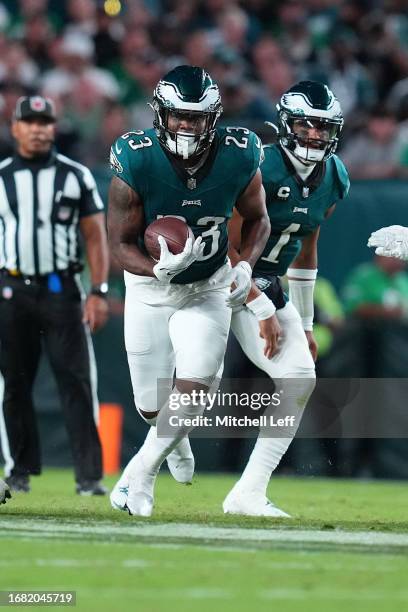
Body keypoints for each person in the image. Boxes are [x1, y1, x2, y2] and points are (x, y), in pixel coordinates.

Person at [108, 65, 270, 517]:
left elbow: (259, 219)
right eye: (178, 115)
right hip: (147, 288)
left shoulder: (239, 154)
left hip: (208, 284)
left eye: (196, 117)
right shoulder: (136, 157)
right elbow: (119, 244)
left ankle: (138, 476)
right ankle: (172, 442)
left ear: (212, 118)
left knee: (196, 384)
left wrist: (245, 267)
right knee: (150, 407)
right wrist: (158, 270)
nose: (186, 125)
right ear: (161, 113)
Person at [223, 81, 349, 516]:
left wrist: (308, 322)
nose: (314, 135)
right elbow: (228, 245)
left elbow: (306, 246)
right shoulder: (260, 166)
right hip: (220, 278)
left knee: (299, 377)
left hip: (271, 282)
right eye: (306, 125)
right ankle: (137, 476)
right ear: (286, 124)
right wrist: (258, 304)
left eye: (322, 127)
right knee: (190, 384)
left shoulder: (334, 176)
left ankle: (249, 491)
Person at [0, 95, 109, 495]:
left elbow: (95, 236)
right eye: (29, 122)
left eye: (45, 122)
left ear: (55, 128)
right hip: (11, 288)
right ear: (15, 128)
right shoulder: (1, 176)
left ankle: (89, 476)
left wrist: (97, 291)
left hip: (63, 289)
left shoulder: (76, 175)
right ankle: (19, 469)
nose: (38, 129)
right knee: (14, 383)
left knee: (78, 381)